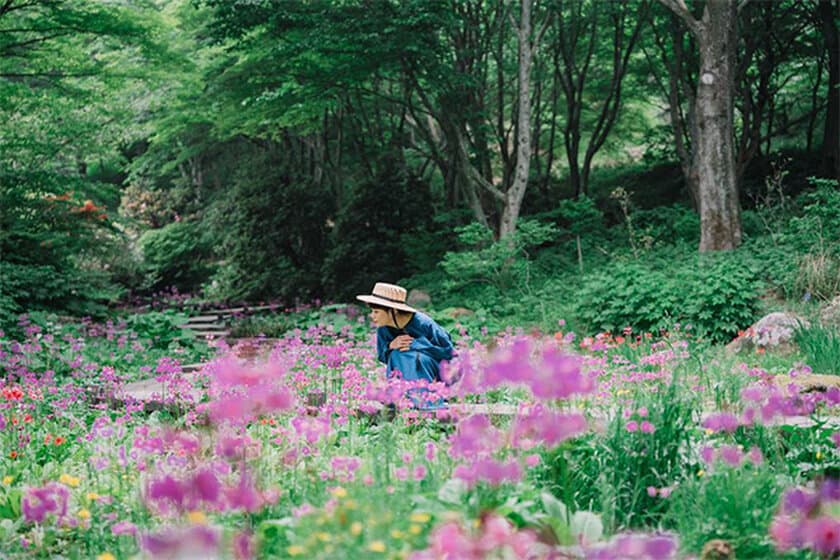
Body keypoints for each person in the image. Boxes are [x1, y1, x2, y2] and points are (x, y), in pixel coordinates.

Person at [356, 282, 454, 387]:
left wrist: (416, 345)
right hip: (404, 372)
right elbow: (382, 357)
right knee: (396, 354)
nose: (372, 316)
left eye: (376, 312)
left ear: (393, 310)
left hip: (435, 374)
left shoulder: (424, 324)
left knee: (414, 357)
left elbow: (448, 353)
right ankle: (401, 397)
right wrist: (390, 346)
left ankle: (425, 398)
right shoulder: (383, 328)